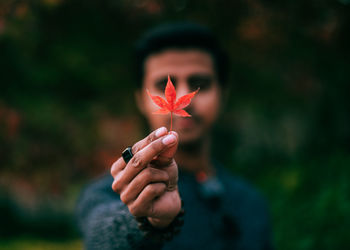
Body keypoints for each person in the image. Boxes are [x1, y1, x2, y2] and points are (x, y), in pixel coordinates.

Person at [76, 22, 273, 250]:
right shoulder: (109, 193)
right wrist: (147, 219)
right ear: (140, 98)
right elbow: (101, 236)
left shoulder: (251, 202)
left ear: (223, 94)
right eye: (164, 84)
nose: (184, 97)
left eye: (200, 84)